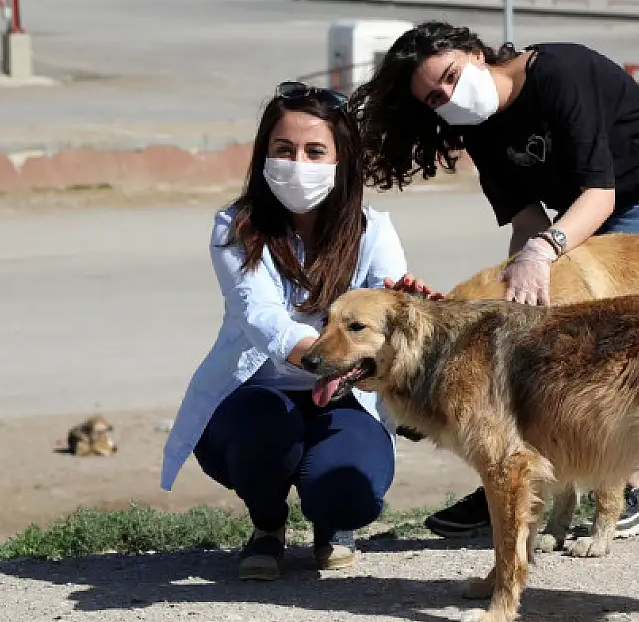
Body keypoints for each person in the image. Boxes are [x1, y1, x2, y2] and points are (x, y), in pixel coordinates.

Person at [350, 21, 639, 541]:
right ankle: (517, 469)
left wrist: (544, 252)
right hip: (580, 215)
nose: (448, 95)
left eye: (450, 75)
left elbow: (598, 197)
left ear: (476, 53)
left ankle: (632, 488)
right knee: (540, 337)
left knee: (610, 339)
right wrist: (514, 301)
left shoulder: (559, 72)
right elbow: (526, 221)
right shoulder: (476, 126)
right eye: (434, 97)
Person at [159, 81, 437, 581]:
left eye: (315, 151)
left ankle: (334, 525)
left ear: (341, 160)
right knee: (264, 429)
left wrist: (410, 303)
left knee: (349, 494)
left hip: (347, 399)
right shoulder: (235, 227)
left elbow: (391, 310)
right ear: (264, 154)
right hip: (255, 397)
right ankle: (267, 524)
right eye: (283, 150)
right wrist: (327, 355)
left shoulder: (373, 230)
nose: (297, 164)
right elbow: (263, 318)